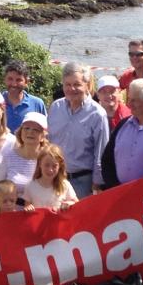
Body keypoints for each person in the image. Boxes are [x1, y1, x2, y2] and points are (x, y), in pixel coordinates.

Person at [47, 63, 109, 198]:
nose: (72, 89)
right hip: (53, 178)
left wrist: (97, 184)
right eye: (67, 84)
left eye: (77, 84)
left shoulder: (97, 114)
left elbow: (101, 152)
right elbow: (48, 142)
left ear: (87, 85)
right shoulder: (55, 108)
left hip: (82, 182)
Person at [2, 112, 48, 197]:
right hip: (12, 208)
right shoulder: (9, 156)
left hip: (39, 208)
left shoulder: (48, 158)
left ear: (43, 136)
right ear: (21, 132)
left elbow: (59, 188)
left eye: (36, 130)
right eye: (26, 128)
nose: (30, 132)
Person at [24, 144, 78, 211]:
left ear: (60, 166)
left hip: (58, 221)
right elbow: (27, 208)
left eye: (54, 166)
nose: (50, 170)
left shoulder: (65, 185)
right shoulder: (31, 186)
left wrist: (70, 203)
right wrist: (28, 208)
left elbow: (77, 204)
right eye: (46, 165)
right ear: (40, 164)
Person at [2, 59, 47, 132]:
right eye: (10, 79)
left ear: (26, 82)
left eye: (18, 80)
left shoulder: (37, 104)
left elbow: (45, 132)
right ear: (5, 79)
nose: (14, 84)